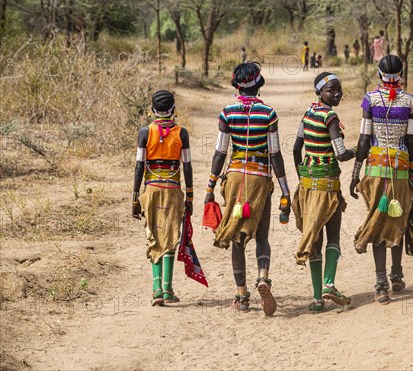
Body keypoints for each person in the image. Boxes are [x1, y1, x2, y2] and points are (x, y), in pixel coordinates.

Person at [204, 62, 291, 315]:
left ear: (236, 84)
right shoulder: (269, 114)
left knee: (237, 238)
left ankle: (242, 296)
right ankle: (263, 277)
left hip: (233, 178)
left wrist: (210, 186)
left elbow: (220, 152)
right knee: (262, 236)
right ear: (259, 84)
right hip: (260, 178)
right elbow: (275, 154)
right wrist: (285, 188)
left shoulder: (227, 113)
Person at [350, 55, 413, 305]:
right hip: (401, 169)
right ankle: (397, 275)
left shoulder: (370, 100)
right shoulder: (411, 102)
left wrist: (355, 172)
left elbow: (364, 139)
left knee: (377, 221)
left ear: (379, 75)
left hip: (376, 170)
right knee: (396, 219)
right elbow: (412, 141)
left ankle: (380, 284)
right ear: (400, 75)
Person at [292, 72, 356, 312]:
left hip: (308, 184)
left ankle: (317, 299)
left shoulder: (307, 114)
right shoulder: (330, 116)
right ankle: (329, 283)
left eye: (339, 89)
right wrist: (359, 151)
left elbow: (296, 147)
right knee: (333, 236)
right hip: (327, 185)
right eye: (332, 90)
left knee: (315, 240)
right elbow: (340, 154)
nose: (337, 94)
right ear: (320, 92)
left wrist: (302, 175)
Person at [132, 90, 194, 306]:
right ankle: (167, 289)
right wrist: (190, 197)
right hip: (173, 190)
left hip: (150, 190)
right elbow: (187, 166)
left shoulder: (144, 132)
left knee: (153, 235)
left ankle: (156, 287)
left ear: (152, 110)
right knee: (171, 237)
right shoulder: (181, 133)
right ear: (173, 110)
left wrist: (134, 198)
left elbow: (139, 167)